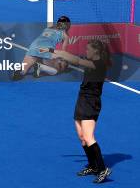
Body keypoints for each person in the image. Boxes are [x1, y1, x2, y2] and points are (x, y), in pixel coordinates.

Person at [48, 40, 112, 184]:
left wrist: (53, 52)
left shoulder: (99, 64)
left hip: (91, 103)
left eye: (88, 49)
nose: (86, 51)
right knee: (82, 137)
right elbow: (72, 59)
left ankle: (103, 170)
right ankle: (92, 165)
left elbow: (75, 59)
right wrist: (54, 53)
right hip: (81, 100)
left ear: (96, 51)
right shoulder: (91, 61)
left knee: (89, 138)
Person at [12, 16, 70, 80]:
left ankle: (20, 72)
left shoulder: (48, 28)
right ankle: (41, 67)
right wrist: (62, 62)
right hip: (46, 49)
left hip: (33, 47)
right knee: (56, 70)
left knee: (24, 70)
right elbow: (63, 53)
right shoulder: (65, 36)